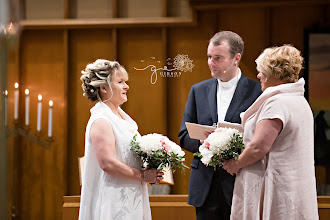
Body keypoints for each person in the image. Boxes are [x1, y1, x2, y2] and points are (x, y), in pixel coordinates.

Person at [223, 45, 319, 219]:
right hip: (293, 184)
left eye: (262, 71)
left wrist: (235, 164)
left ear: (275, 73)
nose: (258, 75)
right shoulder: (299, 100)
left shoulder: (277, 103)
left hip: (276, 186)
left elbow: (259, 147)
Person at [178, 31, 262, 220]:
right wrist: (202, 143)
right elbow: (183, 134)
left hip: (239, 181)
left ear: (236, 58)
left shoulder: (257, 91)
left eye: (218, 58)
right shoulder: (198, 90)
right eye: (209, 56)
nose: (210, 62)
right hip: (205, 185)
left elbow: (260, 139)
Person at [78, 59, 164, 220]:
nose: (126, 86)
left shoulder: (123, 120)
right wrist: (143, 176)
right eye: (120, 82)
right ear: (104, 88)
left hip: (132, 196)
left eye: (125, 82)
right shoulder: (101, 120)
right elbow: (107, 163)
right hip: (114, 200)